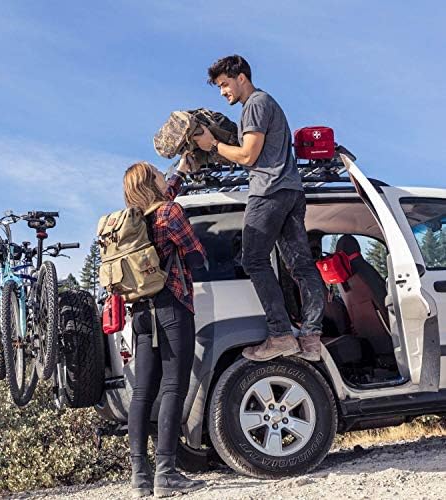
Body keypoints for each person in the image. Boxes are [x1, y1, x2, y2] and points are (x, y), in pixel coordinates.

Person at [194, 54, 325, 362]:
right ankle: (311, 338)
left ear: (241, 78)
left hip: (268, 191)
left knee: (253, 259)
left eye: (225, 84)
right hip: (290, 190)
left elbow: (248, 156)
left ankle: (281, 335)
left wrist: (213, 145)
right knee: (301, 266)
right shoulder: (266, 103)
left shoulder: (255, 104)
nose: (223, 92)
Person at [123, 155, 207, 498]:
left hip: (141, 314)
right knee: (173, 387)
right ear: (150, 183)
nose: (163, 176)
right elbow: (197, 257)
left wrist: (181, 172)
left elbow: (166, 196)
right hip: (172, 307)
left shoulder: (134, 220)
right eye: (159, 174)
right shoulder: (170, 213)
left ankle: (140, 476)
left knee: (143, 393)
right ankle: (167, 474)